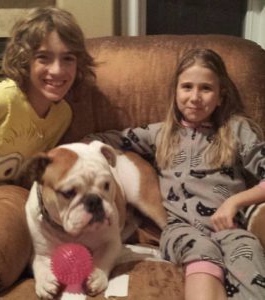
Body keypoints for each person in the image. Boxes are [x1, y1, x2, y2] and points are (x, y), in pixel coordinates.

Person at [83, 48, 265, 300]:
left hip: (231, 227)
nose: (195, 97)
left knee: (247, 253)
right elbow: (100, 140)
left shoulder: (236, 130)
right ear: (175, 92)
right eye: (187, 87)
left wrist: (235, 201)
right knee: (200, 250)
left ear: (221, 96)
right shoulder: (158, 134)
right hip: (180, 229)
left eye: (206, 89)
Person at [0, 7, 95, 203]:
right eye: (43, 57)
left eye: (68, 59)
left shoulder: (62, 116)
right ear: (25, 60)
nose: (57, 70)